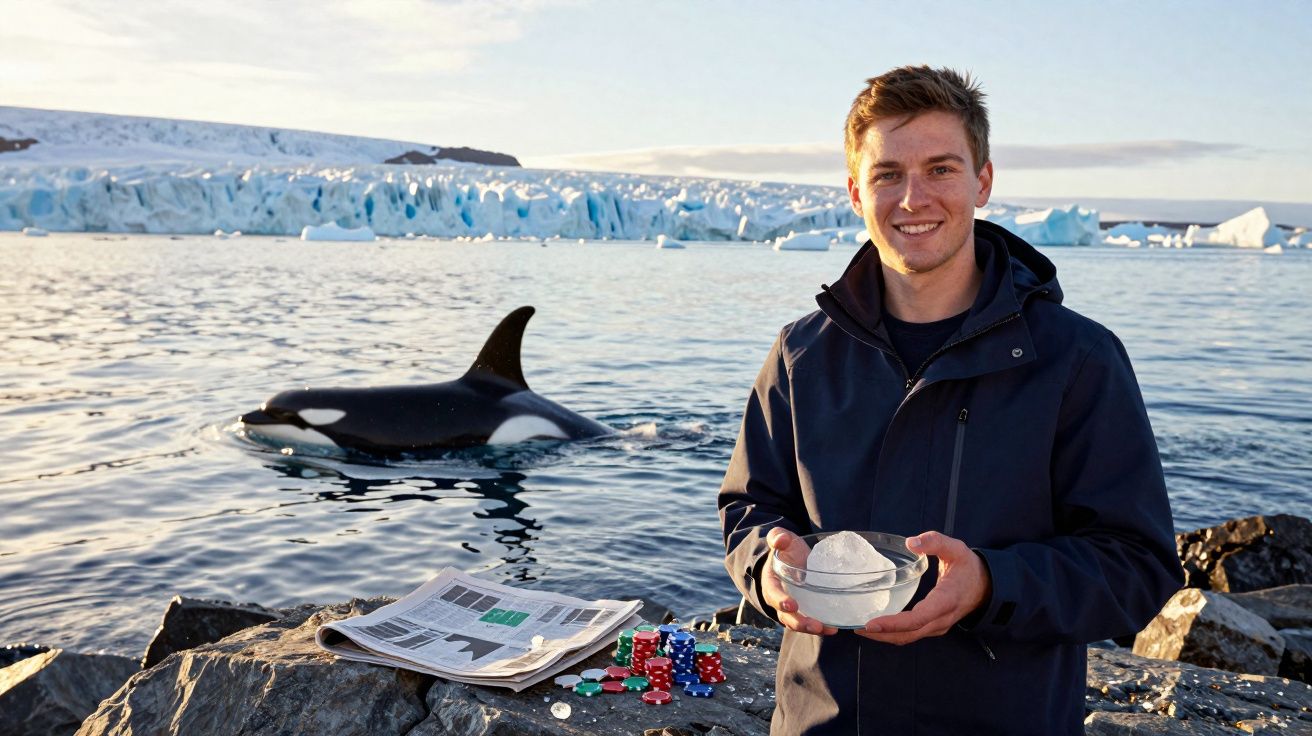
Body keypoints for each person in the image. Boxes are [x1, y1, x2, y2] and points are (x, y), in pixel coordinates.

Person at [718, 65, 1184, 735]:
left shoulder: (1076, 360)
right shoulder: (801, 355)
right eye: (887, 175)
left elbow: (1138, 565)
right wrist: (767, 566)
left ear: (982, 182)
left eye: (940, 169)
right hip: (822, 722)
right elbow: (748, 507)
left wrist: (993, 584)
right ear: (855, 191)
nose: (913, 199)